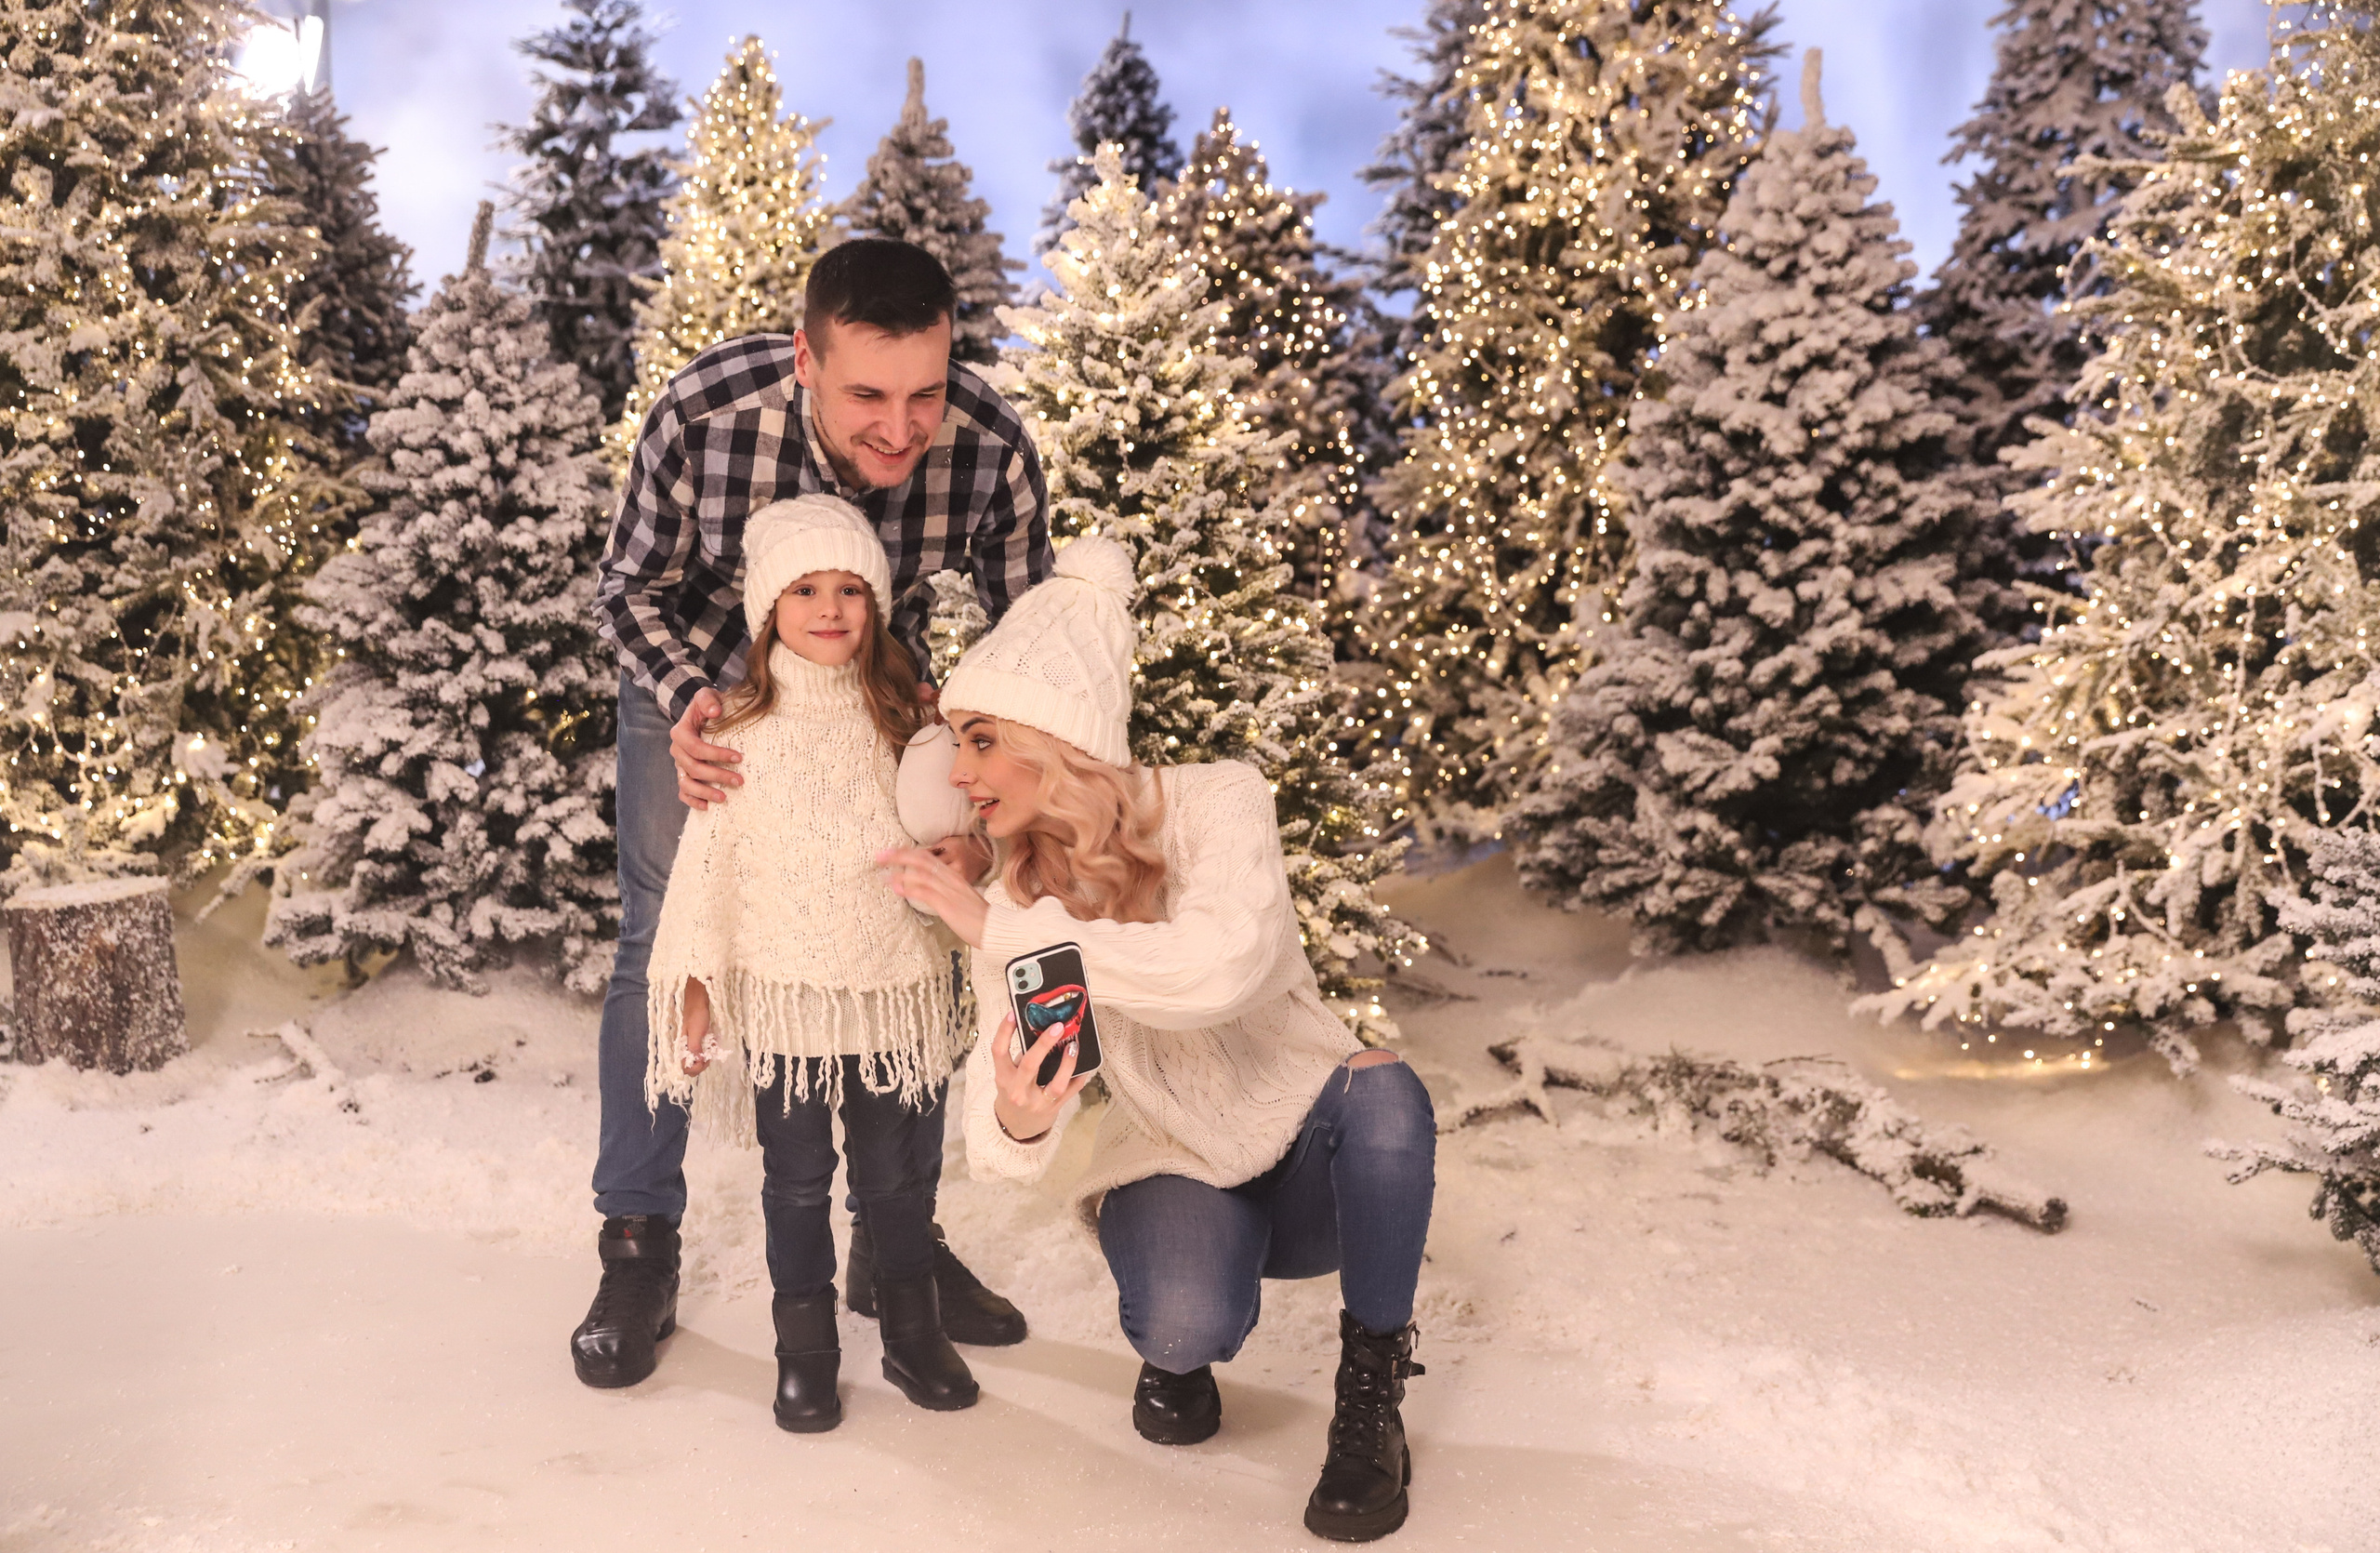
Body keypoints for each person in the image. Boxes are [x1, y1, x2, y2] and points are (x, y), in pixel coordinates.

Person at [879, 538, 1439, 1543]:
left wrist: (1002, 929)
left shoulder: (1219, 800)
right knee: (1186, 1320)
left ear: (1050, 736)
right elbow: (1002, 1145)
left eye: (978, 739)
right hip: (1175, 1158)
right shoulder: (1017, 887)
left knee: (1387, 1088)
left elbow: (1220, 965)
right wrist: (1019, 1110)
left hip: (1310, 1142)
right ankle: (1182, 1339)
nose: (962, 773)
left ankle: (1372, 1402)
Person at [578, 238, 1051, 1388]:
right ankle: (639, 1241)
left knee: (912, 940)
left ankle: (896, 1242)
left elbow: (1036, 644)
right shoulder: (704, 415)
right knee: (665, 933)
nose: (901, 427)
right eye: (867, 396)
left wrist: (979, 785)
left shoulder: (988, 450)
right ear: (805, 360)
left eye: (925, 392)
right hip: (710, 691)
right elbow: (627, 588)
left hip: (889, 704)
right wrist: (698, 703)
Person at [645, 495, 979, 1430]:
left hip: (895, 996)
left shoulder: (907, 724)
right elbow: (708, 876)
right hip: (787, 999)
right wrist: (699, 999)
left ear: (874, 605)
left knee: (899, 1179)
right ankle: (806, 1348)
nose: (829, 608)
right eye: (804, 589)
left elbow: (957, 832)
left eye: (849, 589)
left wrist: (968, 863)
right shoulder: (739, 734)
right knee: (794, 1180)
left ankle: (913, 1330)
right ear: (767, 609)